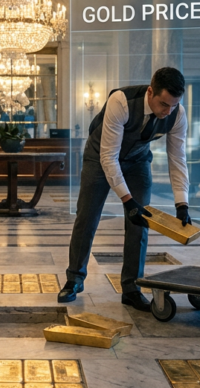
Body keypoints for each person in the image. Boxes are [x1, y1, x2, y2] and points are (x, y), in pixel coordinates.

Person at [59, 67, 191, 311]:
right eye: (163, 104)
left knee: (140, 224)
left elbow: (177, 159)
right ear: (151, 91)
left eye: (173, 105)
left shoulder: (177, 114)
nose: (167, 111)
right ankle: (74, 279)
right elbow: (109, 157)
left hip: (138, 161)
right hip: (100, 157)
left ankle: (131, 287)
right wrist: (128, 201)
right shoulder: (121, 101)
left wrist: (181, 203)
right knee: (87, 217)